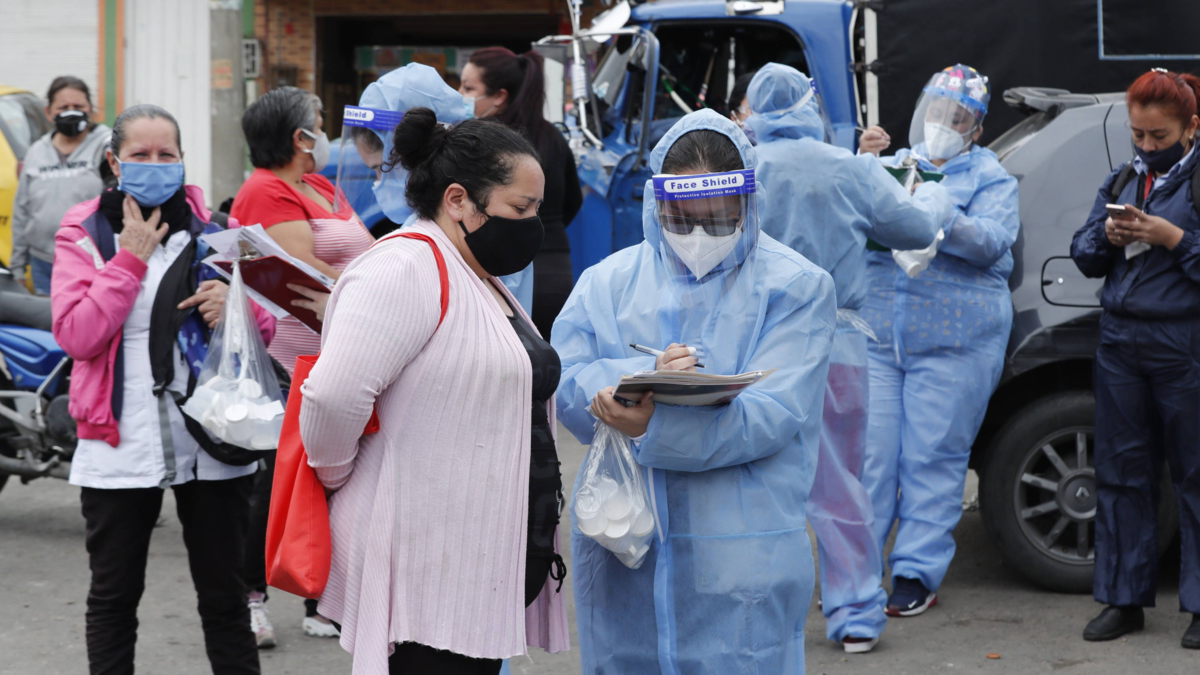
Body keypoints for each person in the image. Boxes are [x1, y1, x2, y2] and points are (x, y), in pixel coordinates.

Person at [554, 109, 837, 673]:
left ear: (748, 205)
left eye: (720, 218)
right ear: (655, 206)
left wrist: (654, 425)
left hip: (741, 548)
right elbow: (565, 376)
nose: (699, 237)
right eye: (681, 219)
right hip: (625, 540)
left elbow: (772, 413)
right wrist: (620, 386)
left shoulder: (795, 286)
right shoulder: (608, 282)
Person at [298, 108, 569, 674]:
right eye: (521, 208)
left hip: (477, 564)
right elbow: (332, 397)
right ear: (458, 200)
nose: (532, 224)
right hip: (427, 569)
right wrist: (339, 476)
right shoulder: (404, 268)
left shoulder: (476, 272)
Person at [51, 103, 275, 675]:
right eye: (140, 155)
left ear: (182, 160)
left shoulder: (217, 232)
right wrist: (128, 261)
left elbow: (267, 327)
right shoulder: (84, 233)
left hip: (213, 441)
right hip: (118, 442)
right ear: (114, 162)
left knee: (225, 601)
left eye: (165, 154)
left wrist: (237, 308)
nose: (154, 164)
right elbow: (76, 334)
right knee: (113, 599)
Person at [744, 63, 950, 652]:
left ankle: (755, 612)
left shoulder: (745, 167)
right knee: (837, 483)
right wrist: (932, 194)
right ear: (810, 105)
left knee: (751, 481)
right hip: (836, 344)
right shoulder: (851, 169)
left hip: (755, 345)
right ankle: (855, 612)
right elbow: (915, 229)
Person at [856, 64, 1020, 618]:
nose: (943, 124)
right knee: (872, 459)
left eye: (957, 117)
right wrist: (862, 167)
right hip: (880, 340)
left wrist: (943, 214)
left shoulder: (989, 177)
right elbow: (853, 222)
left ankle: (914, 573)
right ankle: (856, 573)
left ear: (976, 127)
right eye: (937, 111)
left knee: (933, 457)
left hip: (956, 343)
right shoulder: (898, 166)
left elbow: (994, 242)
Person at [231, 85, 374, 642]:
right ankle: (250, 598)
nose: (325, 132)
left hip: (339, 350)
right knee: (277, 485)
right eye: (318, 122)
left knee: (329, 481)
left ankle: (320, 600)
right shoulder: (266, 189)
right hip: (291, 359)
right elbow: (303, 269)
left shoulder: (319, 185)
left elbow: (362, 254)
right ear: (299, 136)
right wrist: (375, 289)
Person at [1070, 68, 1200, 649]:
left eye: (1159, 136)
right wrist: (1108, 235)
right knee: (1121, 471)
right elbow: (1083, 253)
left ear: (1191, 127)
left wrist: (1173, 237)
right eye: (1138, 135)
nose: (1147, 146)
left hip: (1185, 343)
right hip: (1121, 342)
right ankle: (1123, 600)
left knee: (1196, 474)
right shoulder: (1124, 177)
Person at [460, 47, 583, 339]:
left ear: (499, 96)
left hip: (501, 274)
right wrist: (539, 227)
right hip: (556, 271)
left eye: (468, 88)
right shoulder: (553, 135)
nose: (459, 94)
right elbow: (573, 201)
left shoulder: (481, 140)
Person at [9, 76, 110, 294]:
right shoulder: (37, 151)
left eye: (78, 106)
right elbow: (22, 209)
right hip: (44, 263)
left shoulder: (106, 147)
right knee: (47, 315)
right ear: (49, 112)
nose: (71, 112)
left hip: (92, 259)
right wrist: (17, 267)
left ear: (90, 109)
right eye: (63, 107)